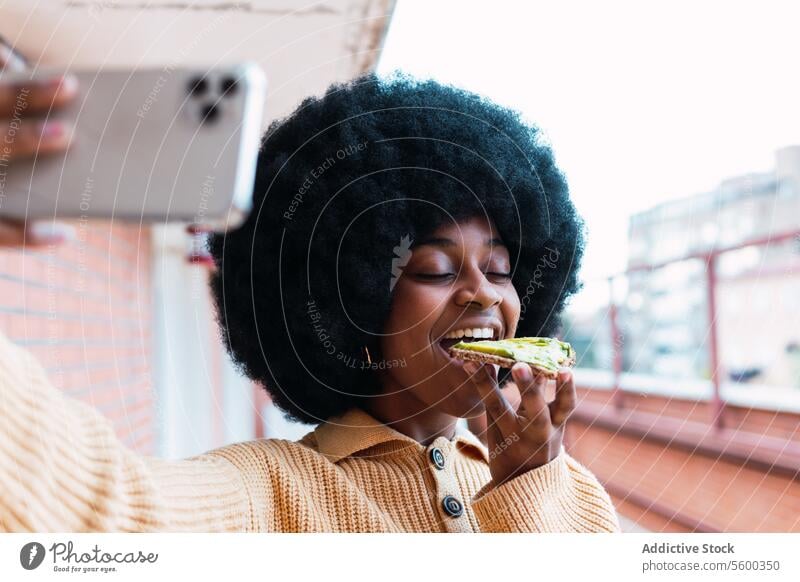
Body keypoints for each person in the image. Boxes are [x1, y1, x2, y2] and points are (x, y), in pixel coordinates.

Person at [0, 53, 621, 532]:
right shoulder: (269, 495)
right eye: (436, 268)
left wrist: (533, 487)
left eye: (501, 267)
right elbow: (100, 506)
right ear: (353, 301)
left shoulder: (575, 495)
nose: (483, 293)